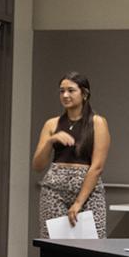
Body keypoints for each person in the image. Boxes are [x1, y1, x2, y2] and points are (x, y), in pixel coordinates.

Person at [32, 71, 110, 238]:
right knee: (52, 242)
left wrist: (78, 203)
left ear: (84, 94)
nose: (65, 95)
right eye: (62, 91)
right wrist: (50, 141)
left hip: (87, 189)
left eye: (71, 90)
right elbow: (37, 165)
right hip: (55, 187)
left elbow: (97, 166)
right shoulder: (52, 124)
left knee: (93, 244)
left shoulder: (97, 122)